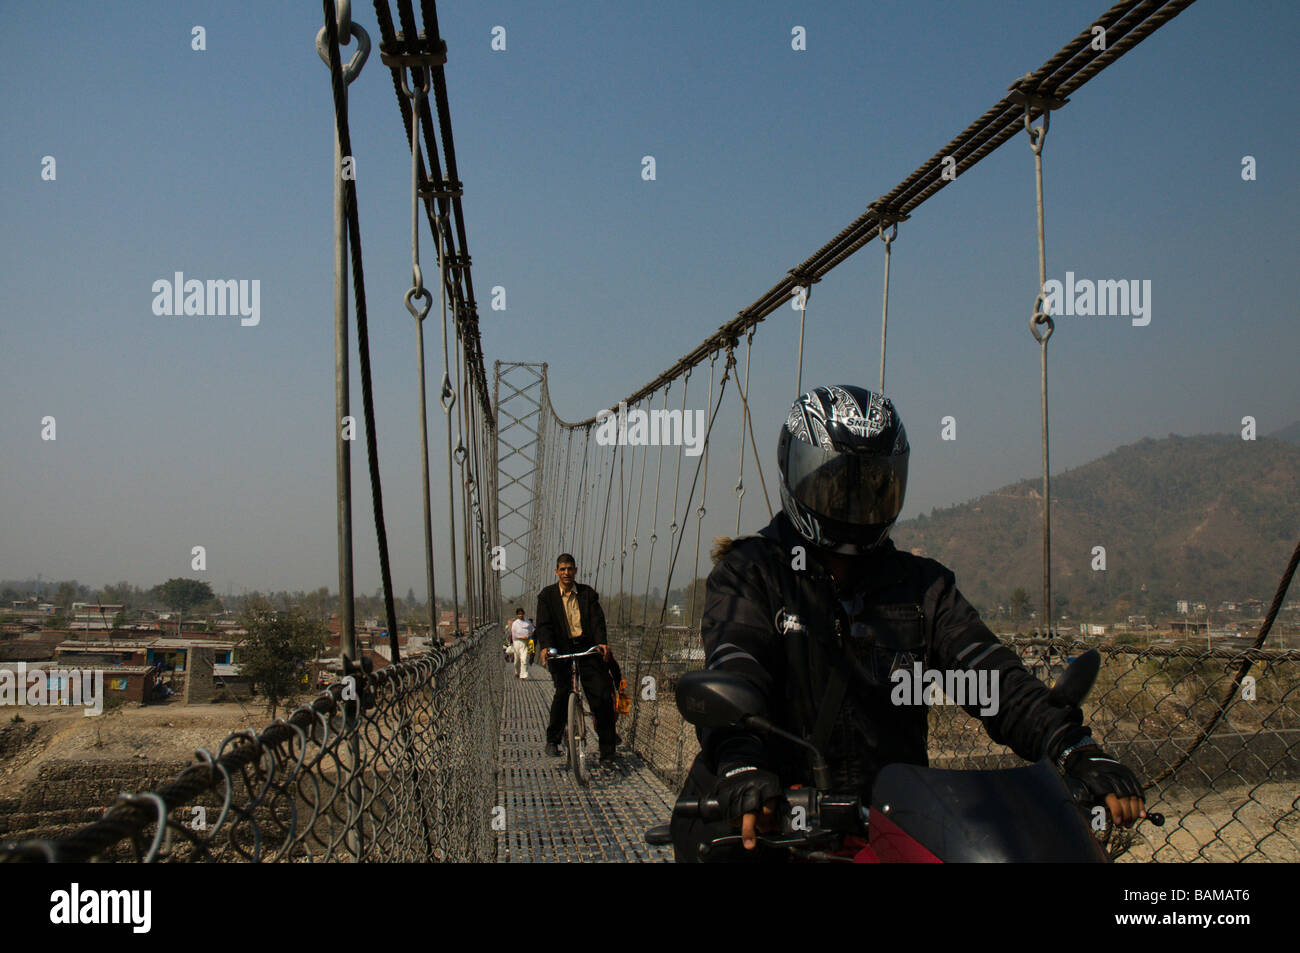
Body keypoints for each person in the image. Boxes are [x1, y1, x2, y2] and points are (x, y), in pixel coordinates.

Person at [671, 385, 1146, 862]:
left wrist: (1073, 746)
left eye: (874, 483)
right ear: (796, 473)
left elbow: (989, 673)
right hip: (775, 825)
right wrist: (742, 764)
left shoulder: (921, 588)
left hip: (888, 829)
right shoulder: (752, 572)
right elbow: (736, 664)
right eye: (836, 482)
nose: (854, 500)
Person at [535, 553, 620, 761]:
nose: (566, 573)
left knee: (600, 695)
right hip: (561, 650)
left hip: (586, 648)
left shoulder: (587, 594)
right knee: (563, 693)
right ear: (556, 572)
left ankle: (607, 749)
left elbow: (597, 621)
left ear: (575, 571)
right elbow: (544, 625)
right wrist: (546, 647)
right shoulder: (546, 596)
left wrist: (601, 642)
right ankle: (552, 741)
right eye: (562, 569)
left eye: (570, 569)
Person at [508, 607, 535, 679]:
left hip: (525, 643)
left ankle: (523, 675)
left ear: (524, 614)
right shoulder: (515, 623)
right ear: (517, 615)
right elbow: (514, 634)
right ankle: (517, 672)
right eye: (519, 614)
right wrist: (521, 637)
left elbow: (532, 630)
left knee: (524, 659)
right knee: (516, 660)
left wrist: (529, 637)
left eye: (521, 614)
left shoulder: (528, 622)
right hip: (517, 642)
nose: (520, 615)